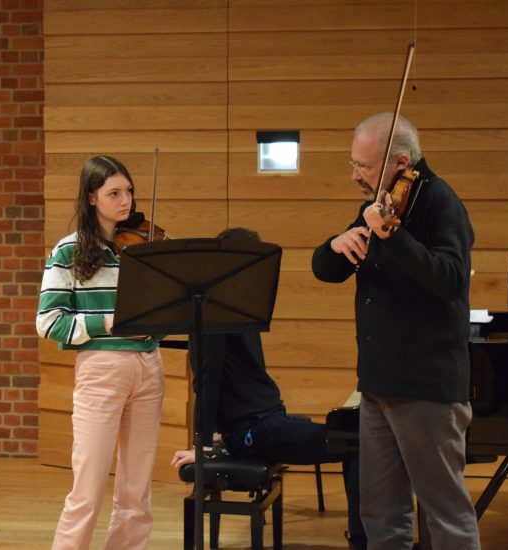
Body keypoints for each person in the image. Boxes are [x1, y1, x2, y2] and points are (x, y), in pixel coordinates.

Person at [312, 113, 481, 549]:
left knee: (445, 515)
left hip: (426, 388)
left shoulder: (440, 203)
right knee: (382, 515)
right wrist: (334, 245)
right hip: (378, 385)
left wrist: (394, 236)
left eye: (363, 166)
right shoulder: (380, 204)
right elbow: (325, 268)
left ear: (401, 163)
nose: (355, 176)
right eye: (353, 164)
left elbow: (450, 279)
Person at [171, 227, 366, 546]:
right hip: (255, 431)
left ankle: (366, 536)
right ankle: (363, 541)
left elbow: (236, 379)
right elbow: (207, 379)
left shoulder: (238, 306)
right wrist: (203, 443)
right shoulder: (215, 313)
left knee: (355, 440)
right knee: (356, 445)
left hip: (265, 421)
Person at [36, 156, 165, 550]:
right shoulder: (69, 251)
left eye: (129, 191)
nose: (125, 201)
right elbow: (49, 322)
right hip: (102, 369)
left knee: (137, 493)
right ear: (91, 197)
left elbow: (163, 308)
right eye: (114, 193)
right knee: (87, 490)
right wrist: (110, 322)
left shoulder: (144, 247)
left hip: (149, 366)